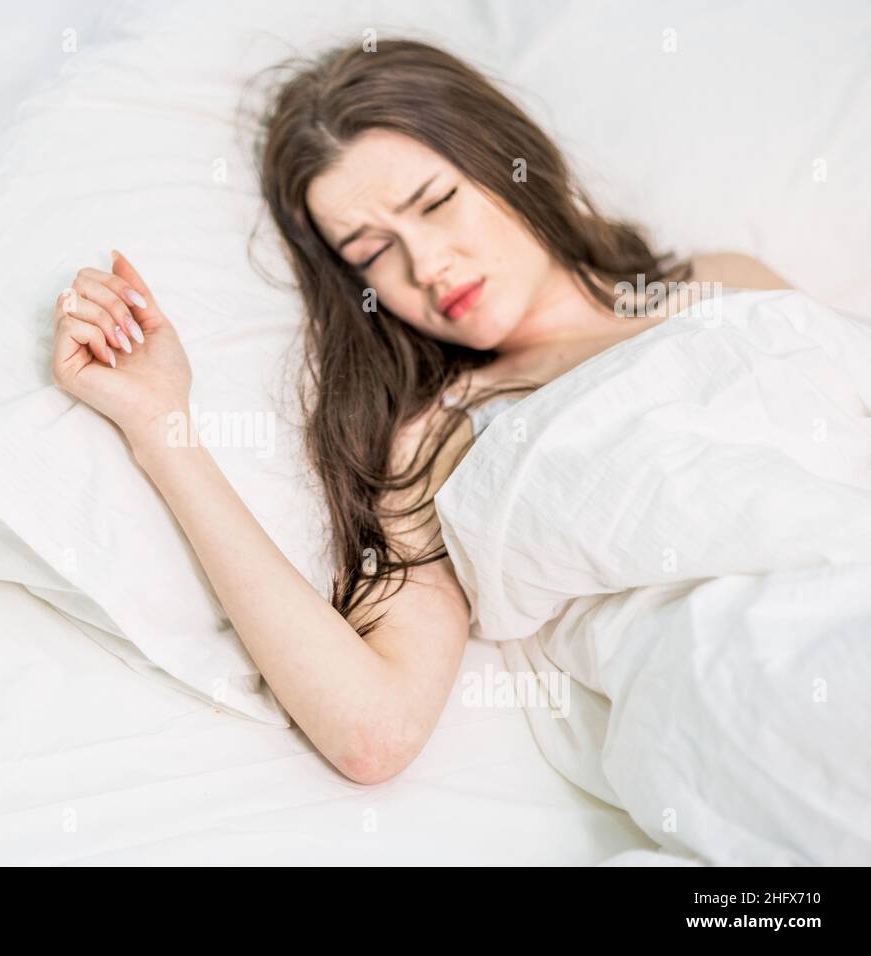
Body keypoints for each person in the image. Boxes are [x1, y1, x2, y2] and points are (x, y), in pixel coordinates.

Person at [47, 39, 789, 785]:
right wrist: (162, 429)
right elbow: (372, 732)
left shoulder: (724, 285)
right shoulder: (439, 440)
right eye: (373, 254)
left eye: (436, 203)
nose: (427, 266)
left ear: (507, 157)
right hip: (759, 683)